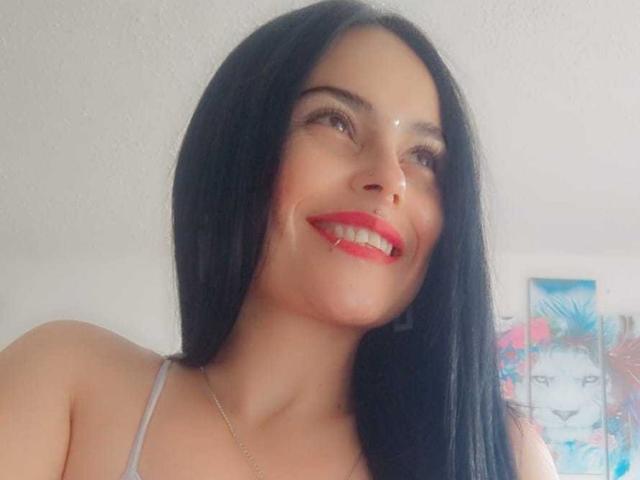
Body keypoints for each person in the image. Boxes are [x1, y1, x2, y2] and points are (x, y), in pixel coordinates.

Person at [0, 1, 560, 478]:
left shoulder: (500, 453)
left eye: (424, 157)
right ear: (237, 148)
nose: (390, 178)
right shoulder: (70, 384)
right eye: (335, 121)